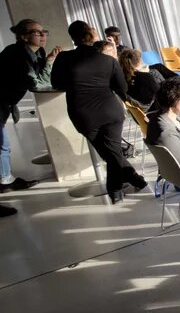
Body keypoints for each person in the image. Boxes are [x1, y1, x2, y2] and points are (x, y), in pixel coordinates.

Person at [51, 21, 146, 204]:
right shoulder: (108, 60)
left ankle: (117, 189)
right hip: (110, 111)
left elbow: (57, 84)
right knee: (113, 153)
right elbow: (122, 87)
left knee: (110, 153)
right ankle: (132, 180)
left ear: (72, 37)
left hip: (83, 114)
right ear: (93, 36)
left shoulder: (63, 58)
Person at [0, 19, 59, 198]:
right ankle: (5, 181)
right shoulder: (15, 54)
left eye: (44, 31)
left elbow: (43, 80)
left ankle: (5, 179)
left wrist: (48, 60)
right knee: (3, 144)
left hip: (5, 101)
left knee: (3, 144)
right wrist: (49, 63)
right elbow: (37, 83)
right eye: (37, 32)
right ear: (24, 37)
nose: (43, 36)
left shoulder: (38, 52)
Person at [119, 48, 180, 129]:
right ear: (139, 61)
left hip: (140, 117)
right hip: (155, 114)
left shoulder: (122, 80)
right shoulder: (145, 77)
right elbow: (163, 94)